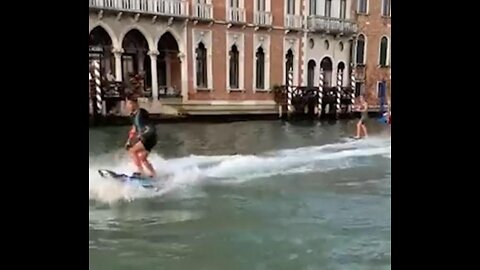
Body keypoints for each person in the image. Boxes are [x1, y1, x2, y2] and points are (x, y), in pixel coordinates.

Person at [125, 95, 157, 177]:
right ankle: (153, 175)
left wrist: (141, 134)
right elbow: (133, 130)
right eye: (128, 104)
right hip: (151, 138)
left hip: (148, 136)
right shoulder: (133, 116)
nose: (128, 106)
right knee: (142, 158)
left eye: (130, 103)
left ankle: (140, 172)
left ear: (135, 104)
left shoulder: (142, 112)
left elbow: (147, 122)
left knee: (132, 151)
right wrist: (129, 141)